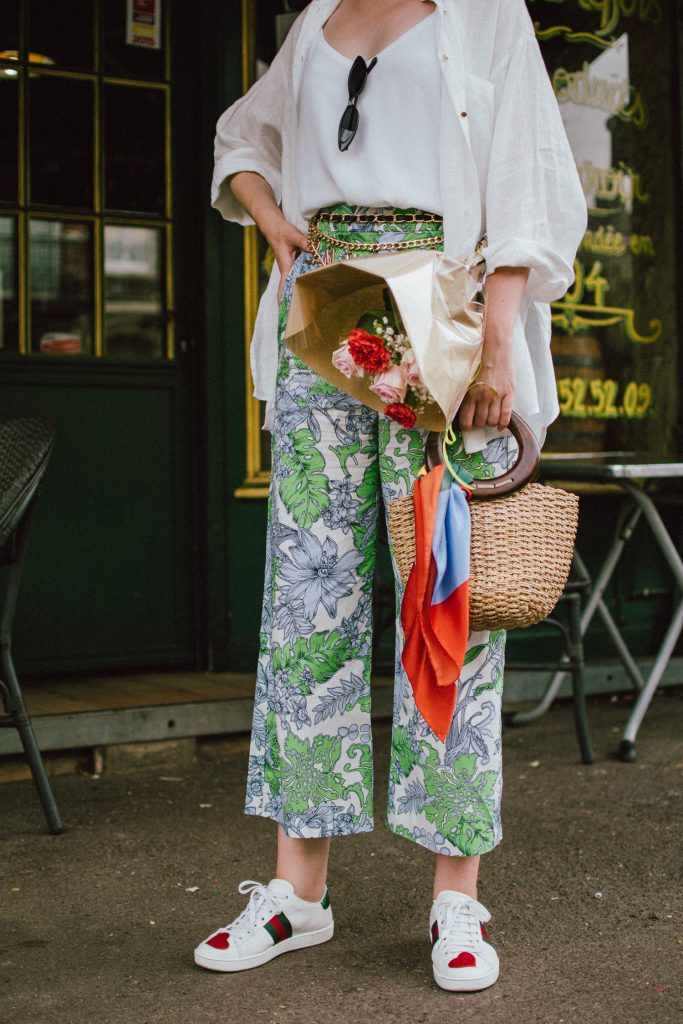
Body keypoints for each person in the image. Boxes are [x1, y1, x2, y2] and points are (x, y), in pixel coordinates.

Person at [195, 0, 586, 992]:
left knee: (446, 591)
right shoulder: (319, 16)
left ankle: (455, 894)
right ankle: (296, 892)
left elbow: (525, 178)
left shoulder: (485, 13)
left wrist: (498, 343)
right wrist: (280, 231)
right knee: (307, 603)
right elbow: (242, 135)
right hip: (336, 328)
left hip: (441, 320)